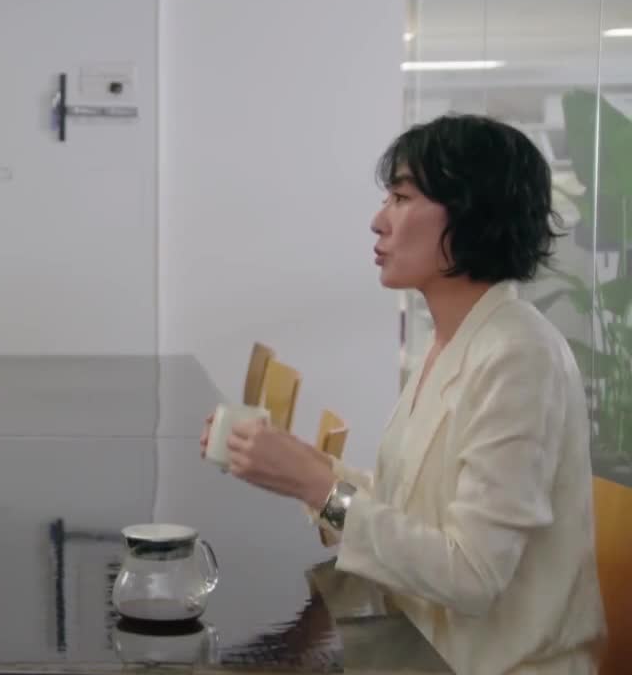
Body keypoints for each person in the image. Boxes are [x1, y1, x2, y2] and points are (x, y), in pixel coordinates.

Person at [202, 114, 606, 674]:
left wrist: (316, 484)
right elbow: (414, 509)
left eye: (401, 198)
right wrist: (301, 467)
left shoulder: (519, 357)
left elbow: (472, 575)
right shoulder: (455, 339)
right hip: (419, 643)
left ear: (471, 214)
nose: (378, 221)